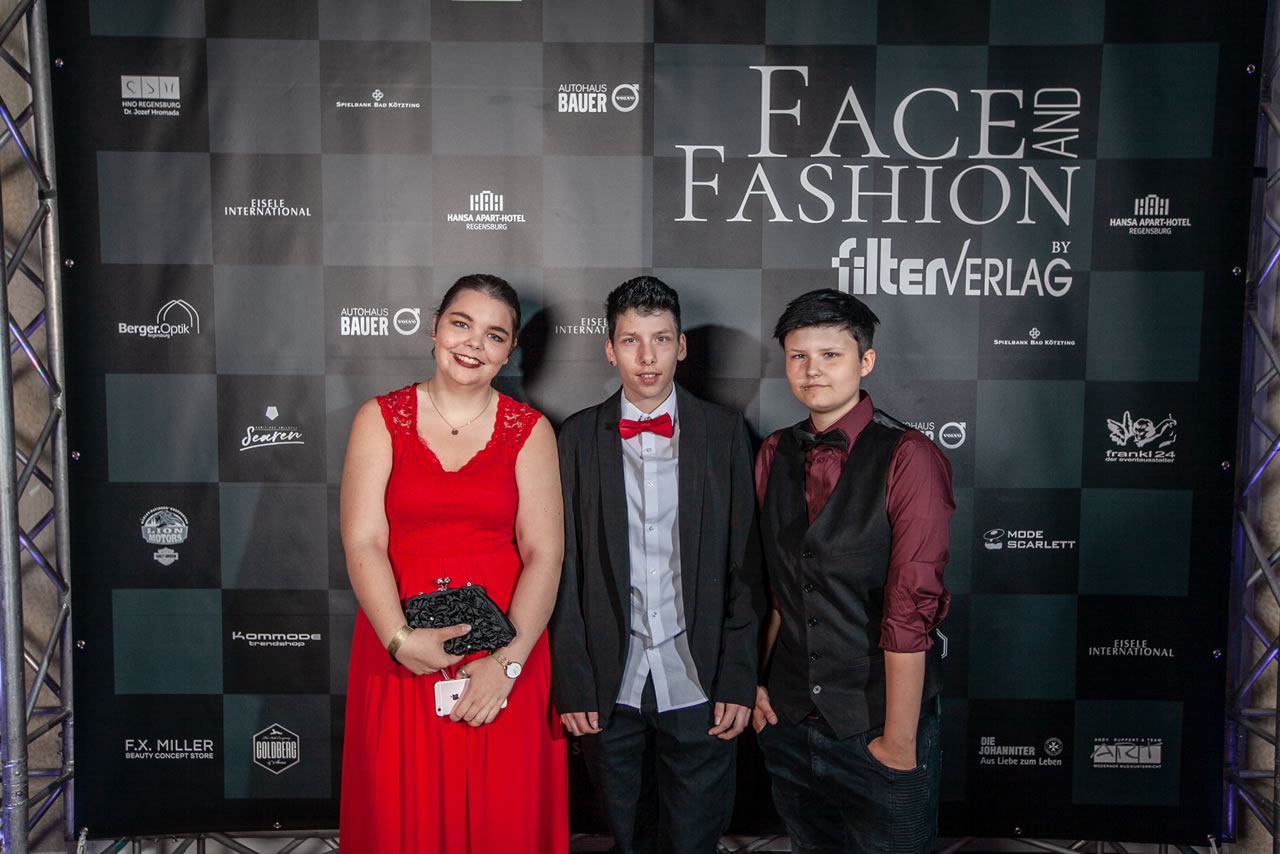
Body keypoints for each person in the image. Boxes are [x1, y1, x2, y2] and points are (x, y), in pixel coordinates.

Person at [338, 274, 567, 852]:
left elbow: (545, 553)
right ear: (435, 327)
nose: (473, 344)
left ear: (509, 351)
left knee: (502, 816)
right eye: (461, 324)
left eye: (494, 335)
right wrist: (398, 639)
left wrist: (506, 665)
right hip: (399, 646)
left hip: (506, 649)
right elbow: (363, 540)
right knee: (401, 811)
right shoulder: (378, 418)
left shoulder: (530, 431)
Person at [550, 275, 764, 854]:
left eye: (661, 339)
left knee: (694, 841)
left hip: (700, 680)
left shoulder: (724, 433)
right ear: (610, 349)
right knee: (627, 838)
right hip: (608, 684)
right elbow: (562, 570)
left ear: (681, 346)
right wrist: (573, 681)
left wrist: (738, 677)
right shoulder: (575, 437)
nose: (647, 357)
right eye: (631, 341)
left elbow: (747, 566)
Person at [752, 288, 953, 854]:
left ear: (865, 361)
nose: (812, 370)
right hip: (790, 723)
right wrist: (759, 685)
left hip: (877, 727)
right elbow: (774, 592)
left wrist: (899, 741)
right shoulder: (772, 452)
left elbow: (909, 608)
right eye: (798, 356)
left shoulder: (909, 456)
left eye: (830, 355)